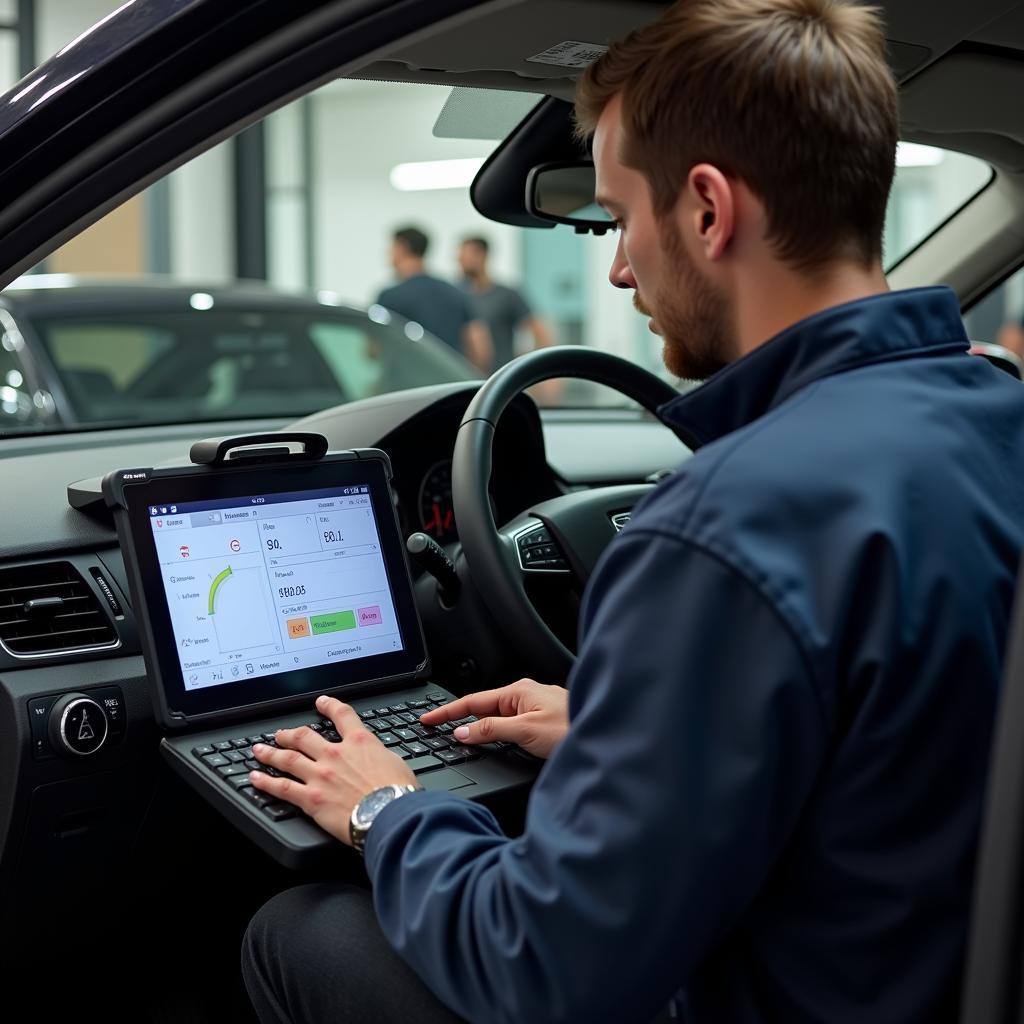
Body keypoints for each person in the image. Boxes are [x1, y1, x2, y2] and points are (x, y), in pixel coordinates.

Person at [241, 1, 1024, 1021]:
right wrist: (633, 735)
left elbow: (541, 965)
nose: (615, 267)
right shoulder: (993, 417)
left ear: (705, 209)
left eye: (616, 217)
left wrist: (386, 808)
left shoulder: (723, 528)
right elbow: (912, 740)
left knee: (297, 931)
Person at [376, 226, 493, 372]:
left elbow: (373, 350)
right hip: (450, 385)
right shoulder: (456, 293)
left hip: (405, 387)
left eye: (391, 248)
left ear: (402, 247)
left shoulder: (390, 296)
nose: (389, 253)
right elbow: (480, 349)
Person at [457, 236, 556, 368]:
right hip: (464, 375)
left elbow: (539, 331)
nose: (460, 261)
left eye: (465, 256)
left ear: (482, 255)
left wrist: (531, 366)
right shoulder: (457, 295)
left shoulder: (507, 295)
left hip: (500, 375)